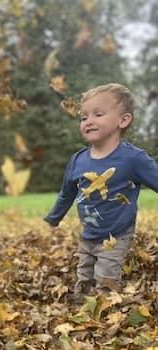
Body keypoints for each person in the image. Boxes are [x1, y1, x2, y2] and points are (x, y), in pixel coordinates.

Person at [44, 83, 158, 301]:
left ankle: (105, 315)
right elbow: (66, 194)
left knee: (105, 278)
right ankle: (81, 313)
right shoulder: (77, 160)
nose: (88, 121)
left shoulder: (133, 159)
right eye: (84, 117)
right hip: (88, 233)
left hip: (116, 234)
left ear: (123, 120)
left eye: (98, 114)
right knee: (84, 276)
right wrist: (54, 218)